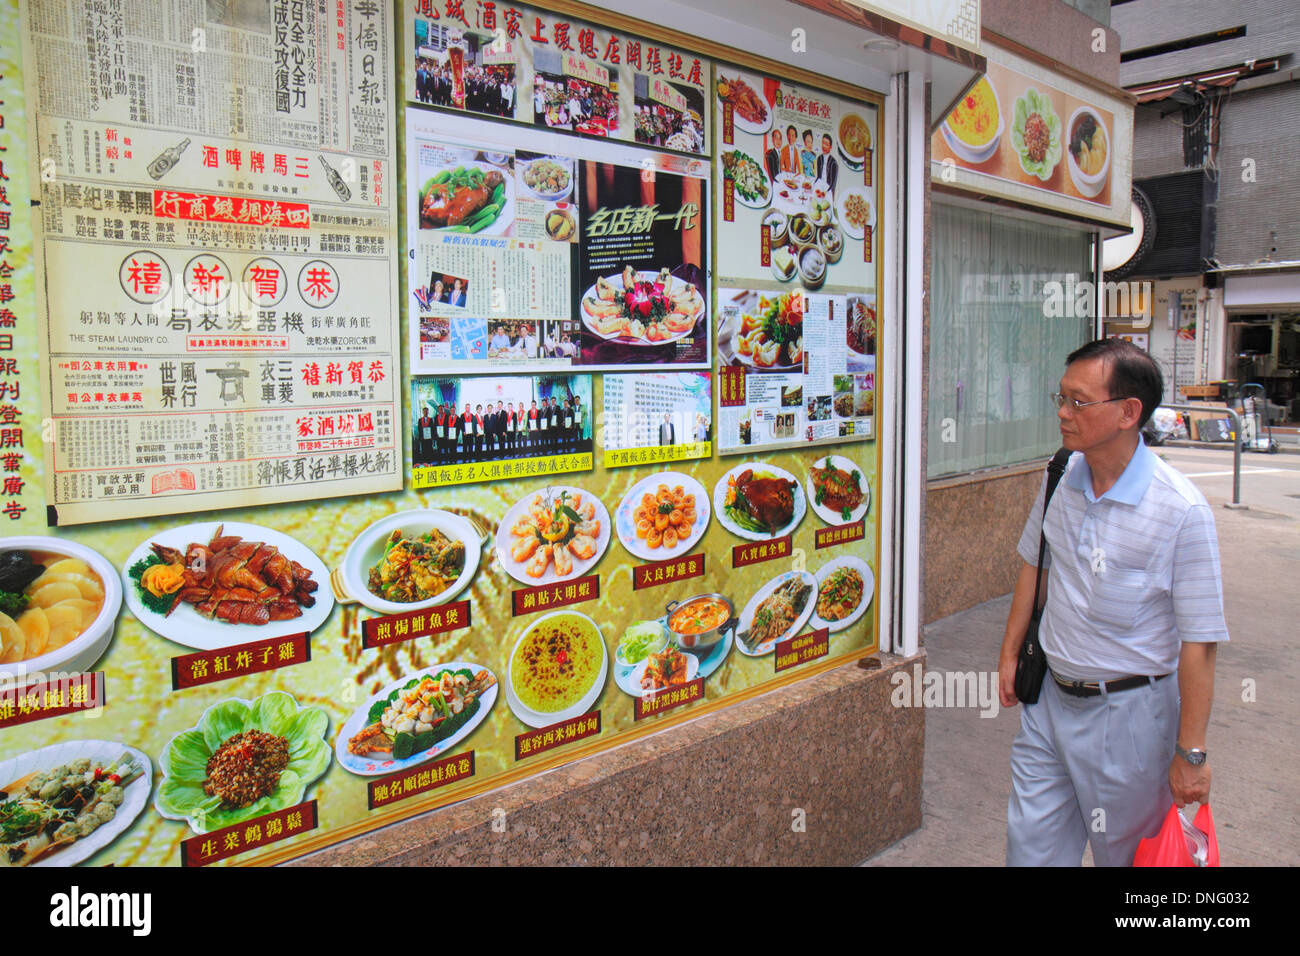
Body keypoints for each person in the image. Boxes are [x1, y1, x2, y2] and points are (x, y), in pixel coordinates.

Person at [998, 338, 1227, 867]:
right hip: (1049, 703)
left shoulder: (1181, 512)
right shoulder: (1060, 475)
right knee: (1029, 853)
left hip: (1129, 721)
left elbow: (1200, 645)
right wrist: (1011, 654)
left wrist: (1190, 754)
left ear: (1129, 412)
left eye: (1079, 402)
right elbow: (1036, 564)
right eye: (1061, 398)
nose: (1063, 413)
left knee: (1126, 862)